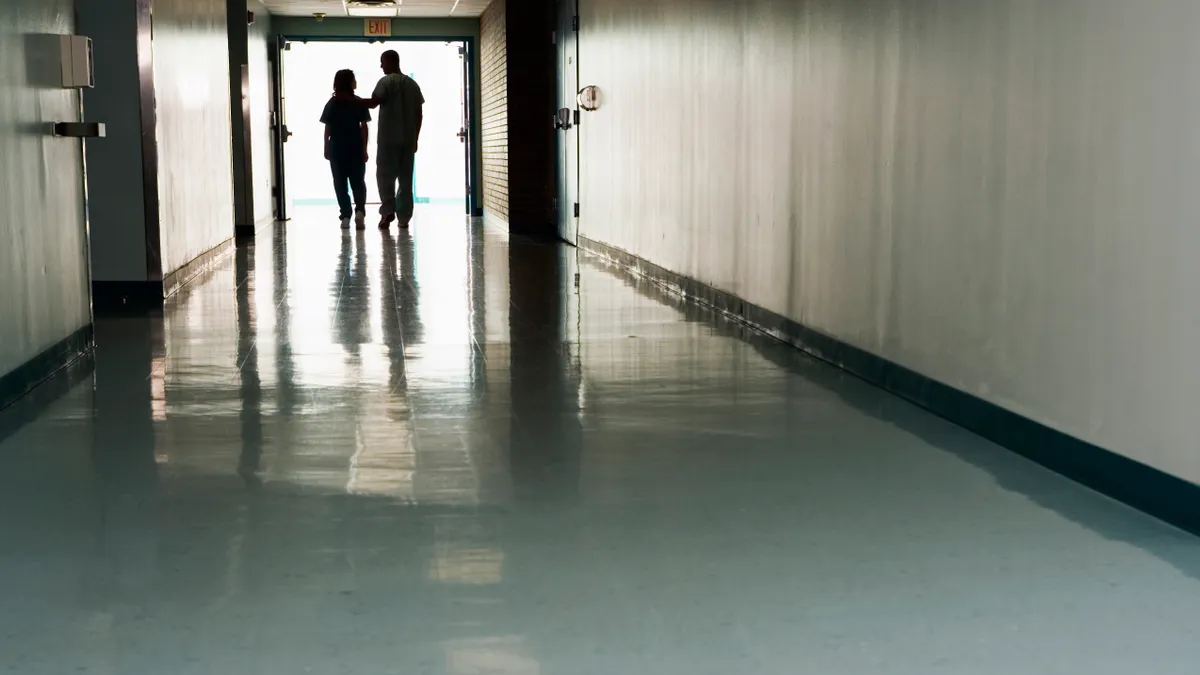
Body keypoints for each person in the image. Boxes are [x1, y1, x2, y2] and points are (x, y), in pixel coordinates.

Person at [360, 50, 424, 230]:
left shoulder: (385, 82)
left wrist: (351, 101)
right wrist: (415, 138)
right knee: (405, 179)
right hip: (408, 140)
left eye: (382, 62)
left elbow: (374, 102)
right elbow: (419, 114)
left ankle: (388, 211)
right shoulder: (412, 85)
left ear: (390, 61)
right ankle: (404, 219)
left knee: (385, 177)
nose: (381, 66)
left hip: (388, 139)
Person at [321, 69, 371, 229]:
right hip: (355, 146)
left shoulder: (331, 104)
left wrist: (326, 146)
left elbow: (328, 128)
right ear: (352, 83)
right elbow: (364, 127)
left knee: (340, 183)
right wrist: (364, 148)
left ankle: (345, 215)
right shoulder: (358, 102)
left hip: (337, 147)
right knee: (358, 182)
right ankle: (360, 212)